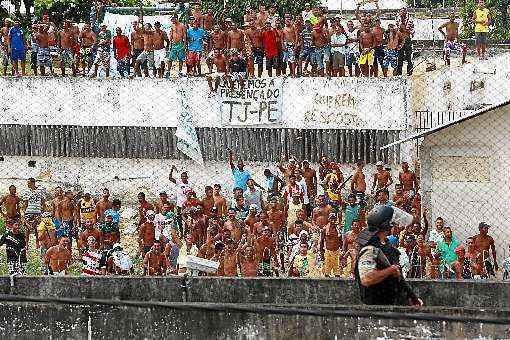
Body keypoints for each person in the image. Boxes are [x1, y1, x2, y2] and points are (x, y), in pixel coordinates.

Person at [355, 205, 422, 306]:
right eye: (392, 222)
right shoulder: (370, 248)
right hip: (375, 309)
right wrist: (390, 270)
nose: (394, 225)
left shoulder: (386, 245)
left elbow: (397, 276)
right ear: (386, 225)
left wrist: (411, 297)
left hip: (389, 304)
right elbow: (367, 278)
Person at [22, 178, 45, 249]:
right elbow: (25, 203)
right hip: (28, 211)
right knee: (27, 228)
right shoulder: (26, 191)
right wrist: (24, 213)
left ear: (33, 183)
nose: (27, 184)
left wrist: (41, 212)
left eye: (28, 183)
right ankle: (26, 244)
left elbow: (43, 202)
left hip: (37, 212)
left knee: (37, 228)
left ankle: (37, 243)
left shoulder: (40, 190)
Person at [320, 213, 341, 277]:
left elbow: (341, 241)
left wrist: (342, 251)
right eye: (331, 218)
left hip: (336, 251)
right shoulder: (325, 229)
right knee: (327, 272)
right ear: (329, 219)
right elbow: (321, 241)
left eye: (334, 219)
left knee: (337, 272)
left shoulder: (338, 229)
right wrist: (321, 253)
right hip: (328, 251)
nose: (333, 220)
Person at [395, 7, 414, 76]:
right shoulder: (398, 20)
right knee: (400, 57)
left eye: (404, 11)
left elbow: (412, 31)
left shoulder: (410, 20)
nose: (402, 12)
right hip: (400, 40)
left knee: (409, 57)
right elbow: (397, 30)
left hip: (407, 40)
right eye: (401, 11)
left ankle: (409, 73)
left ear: (406, 12)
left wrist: (405, 29)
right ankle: (399, 73)